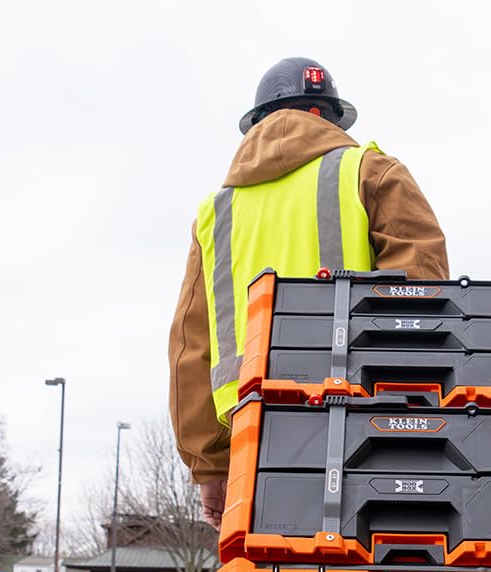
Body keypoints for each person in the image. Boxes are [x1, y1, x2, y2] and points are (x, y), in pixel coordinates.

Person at [169, 56, 449, 528]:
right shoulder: (372, 173)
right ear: (328, 117)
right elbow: (421, 301)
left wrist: (210, 465)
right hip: (369, 428)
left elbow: (189, 352)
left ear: (257, 125)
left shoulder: (216, 215)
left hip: (254, 441)